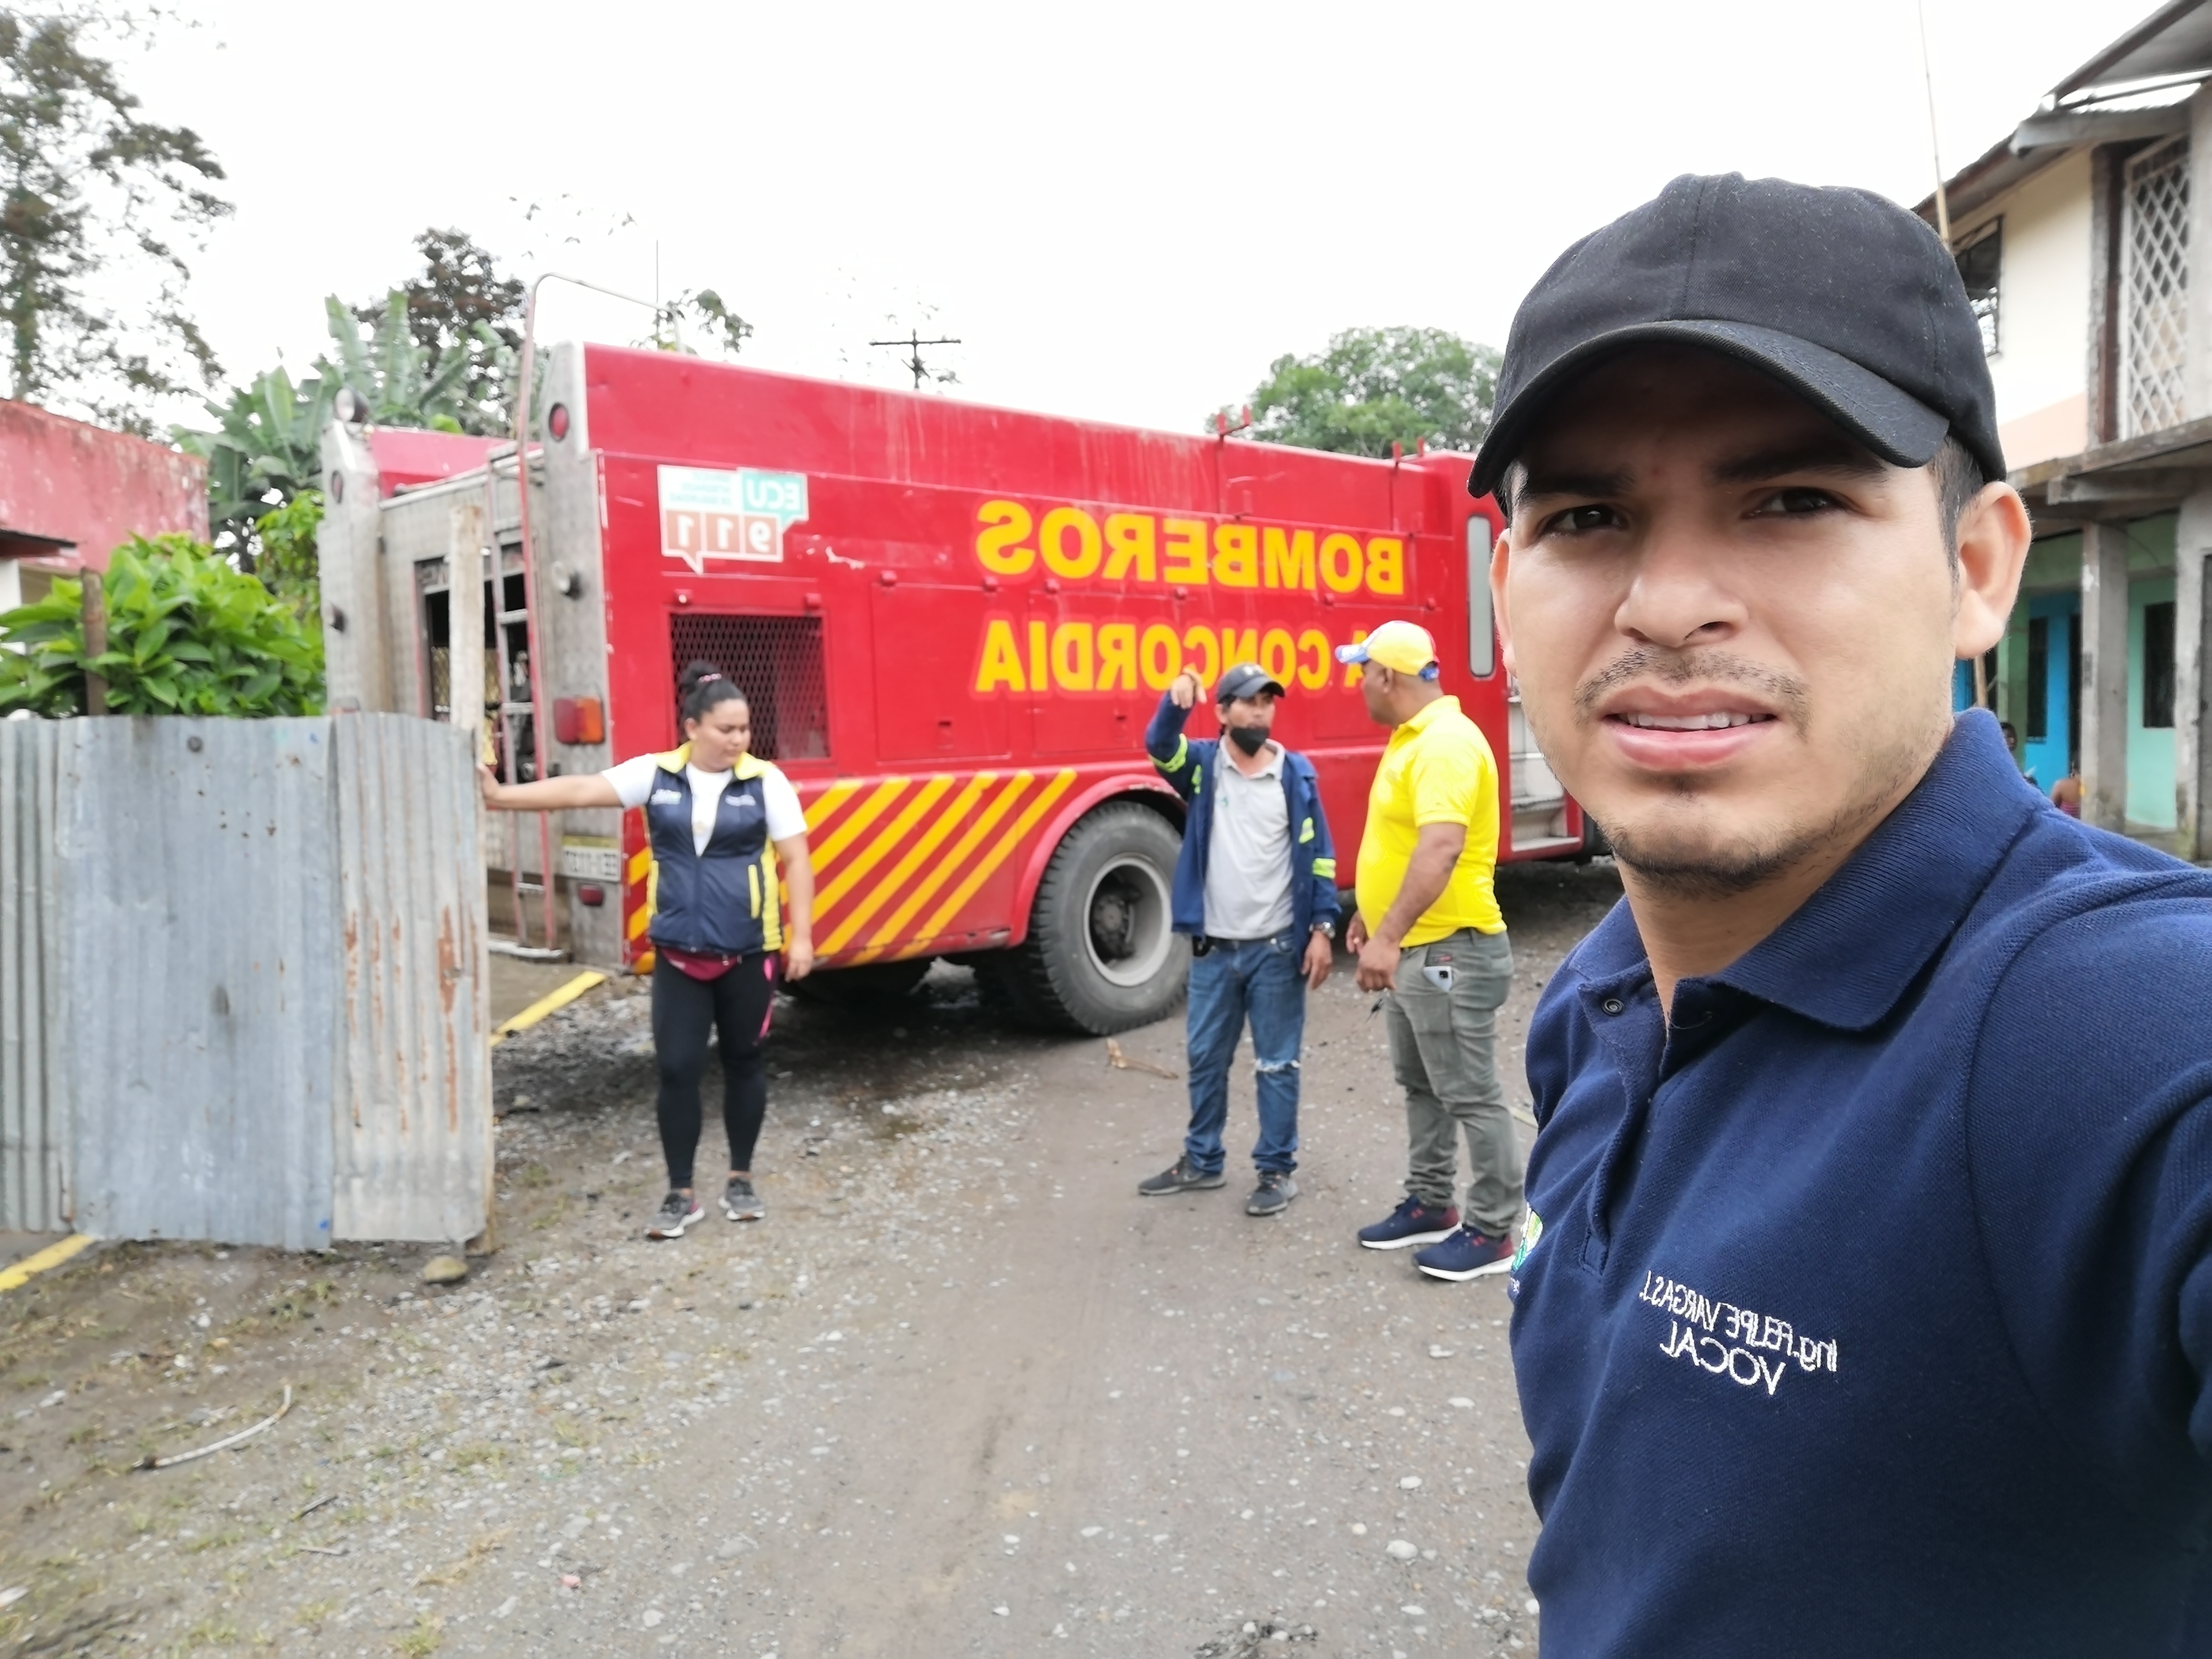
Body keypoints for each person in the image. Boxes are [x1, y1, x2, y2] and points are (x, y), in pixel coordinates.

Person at [1481, 172, 2212, 1654]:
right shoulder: (1596, 1001)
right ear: (1507, 583)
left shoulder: (2114, 1035)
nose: (1665, 602)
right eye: (1588, 516)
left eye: (1793, 501)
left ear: (1976, 568)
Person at [480, 661, 814, 1240]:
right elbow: (580, 789)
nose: (738, 740)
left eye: (744, 729)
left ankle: (740, 1178)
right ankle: (680, 1193)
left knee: (745, 1063)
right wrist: (500, 797)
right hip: (679, 954)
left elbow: (796, 859)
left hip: (749, 951)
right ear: (693, 728)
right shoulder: (656, 775)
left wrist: (802, 936)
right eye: (726, 730)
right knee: (678, 1069)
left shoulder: (766, 782)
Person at [1334, 620, 1520, 1281]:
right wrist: (1371, 912)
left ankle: (1494, 1231)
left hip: (1448, 954)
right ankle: (1431, 1202)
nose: (1359, 684)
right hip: (1419, 948)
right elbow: (1405, 841)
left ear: (1387, 676)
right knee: (1423, 1085)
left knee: (1469, 1092)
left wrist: (1387, 939)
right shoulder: (1412, 737)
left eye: (1363, 672)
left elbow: (1442, 848)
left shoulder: (1444, 745)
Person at [1137, 661, 1337, 1217]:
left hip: (1277, 951)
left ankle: (1276, 1171)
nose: (1259, 712)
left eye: (1267, 702)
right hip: (1214, 953)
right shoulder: (1203, 767)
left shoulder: (1296, 775)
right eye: (1248, 702)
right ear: (1223, 712)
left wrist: (1323, 930)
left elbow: (1321, 859)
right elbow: (1159, 745)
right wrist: (1176, 701)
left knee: (1277, 1066)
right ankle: (1203, 1161)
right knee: (1205, 1059)